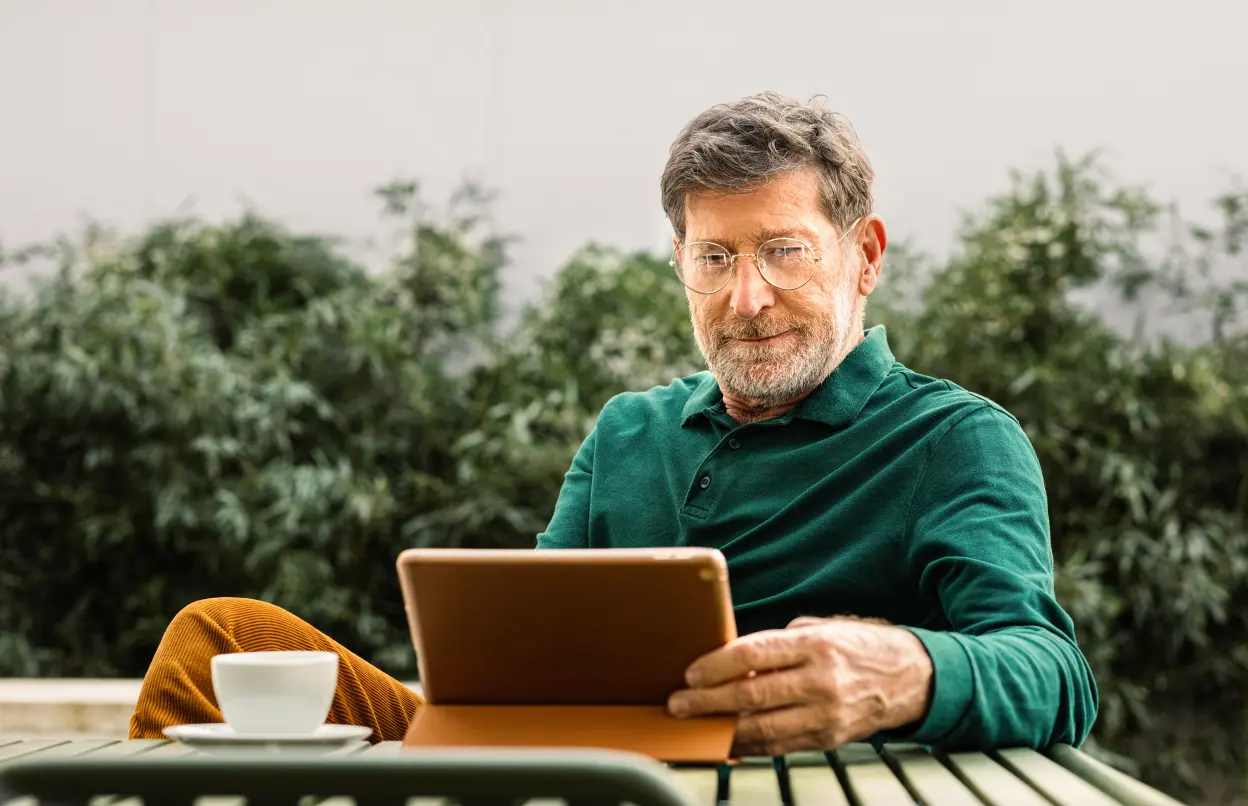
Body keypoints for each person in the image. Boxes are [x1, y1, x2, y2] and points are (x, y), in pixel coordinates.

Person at [130, 92, 1098, 756]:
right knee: (219, 633)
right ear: (678, 260)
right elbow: (525, 649)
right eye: (715, 257)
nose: (748, 295)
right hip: (559, 758)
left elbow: (1056, 673)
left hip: (759, 778)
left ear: (865, 254)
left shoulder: (956, 438)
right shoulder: (628, 430)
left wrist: (911, 670)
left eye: (785, 251)